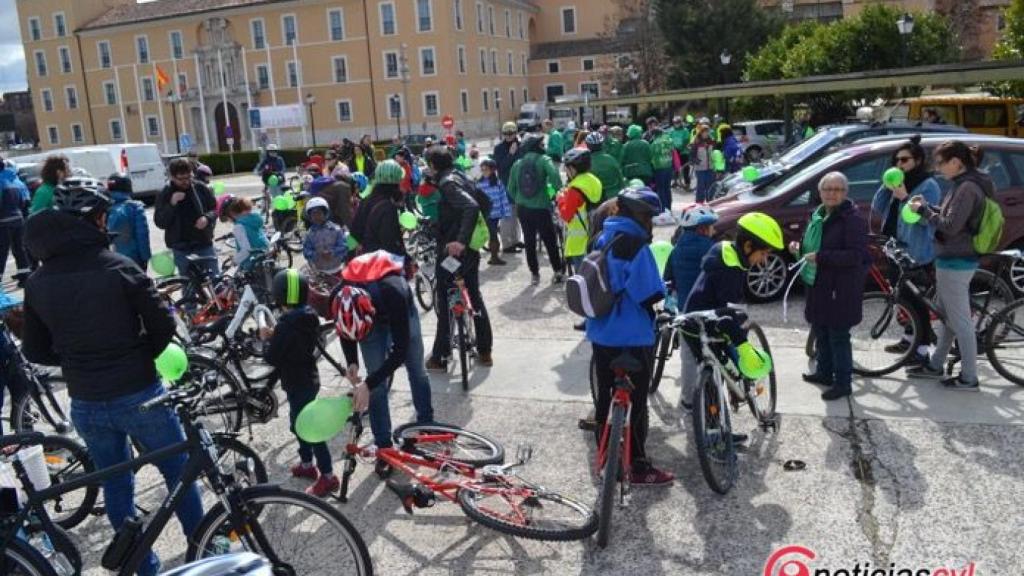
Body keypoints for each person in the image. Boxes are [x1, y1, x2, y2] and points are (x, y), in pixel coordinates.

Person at [22, 180, 203, 576]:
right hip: (139, 392)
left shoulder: (37, 281)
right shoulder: (118, 266)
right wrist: (137, 356)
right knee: (180, 472)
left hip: (85, 400)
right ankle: (205, 549)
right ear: (96, 219)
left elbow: (35, 351)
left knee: (118, 486)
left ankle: (143, 568)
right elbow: (162, 327)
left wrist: (75, 359)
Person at [587, 187, 674, 485]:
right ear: (642, 216)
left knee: (604, 397)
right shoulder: (636, 246)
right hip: (633, 336)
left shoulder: (601, 236)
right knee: (636, 402)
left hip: (600, 331)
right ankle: (638, 465)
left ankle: (605, 451)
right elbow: (648, 293)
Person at [906, 141, 992, 390]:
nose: (938, 167)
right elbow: (951, 219)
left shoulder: (967, 188)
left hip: (957, 260)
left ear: (956, 162)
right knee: (947, 318)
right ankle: (935, 364)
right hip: (952, 259)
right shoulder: (964, 184)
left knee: (960, 322)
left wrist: (924, 211)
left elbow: (950, 227)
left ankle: (969, 377)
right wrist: (929, 208)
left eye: (941, 162)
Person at [336, 251, 435, 468]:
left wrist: (367, 384)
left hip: (400, 312)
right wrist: (352, 361)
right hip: (369, 314)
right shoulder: (341, 296)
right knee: (377, 387)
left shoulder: (394, 290)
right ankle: (384, 447)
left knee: (416, 369)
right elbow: (346, 330)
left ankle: (427, 423)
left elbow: (400, 351)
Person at [683, 212, 784, 414]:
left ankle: (711, 415)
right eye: (763, 254)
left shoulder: (724, 250)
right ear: (748, 247)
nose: (764, 261)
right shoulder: (730, 271)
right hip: (709, 323)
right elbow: (727, 317)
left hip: (692, 320)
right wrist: (743, 346)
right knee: (722, 369)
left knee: (712, 372)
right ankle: (718, 426)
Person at [790, 173, 869, 401]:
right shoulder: (819, 215)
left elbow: (855, 256)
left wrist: (822, 257)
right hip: (818, 283)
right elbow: (813, 244)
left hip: (840, 287)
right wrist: (799, 247)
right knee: (821, 330)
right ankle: (824, 373)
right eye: (827, 189)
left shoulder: (851, 219)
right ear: (820, 192)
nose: (832, 193)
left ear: (845, 193)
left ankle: (843, 383)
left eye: (837, 189)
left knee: (838, 336)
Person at [261, 269, 338, 497]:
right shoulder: (307, 317)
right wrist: (277, 333)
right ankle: (306, 464)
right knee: (298, 423)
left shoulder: (286, 325)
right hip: (307, 379)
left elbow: (272, 357)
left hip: (297, 383)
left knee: (309, 428)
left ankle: (327, 476)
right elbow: (292, 339)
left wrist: (267, 340)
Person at [870, 136, 940, 364]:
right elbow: (877, 208)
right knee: (902, 298)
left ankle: (921, 350)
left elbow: (925, 220)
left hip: (915, 251)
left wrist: (905, 197)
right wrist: (886, 185)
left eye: (904, 160)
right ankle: (909, 337)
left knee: (916, 300)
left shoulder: (927, 185)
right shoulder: (898, 181)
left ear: (918, 160)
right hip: (894, 248)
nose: (899, 164)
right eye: (896, 160)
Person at [422, 145, 494, 369]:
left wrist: (459, 239)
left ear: (433, 165)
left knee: (445, 298)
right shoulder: (462, 177)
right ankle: (484, 352)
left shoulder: (447, 183)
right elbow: (485, 203)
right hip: (469, 250)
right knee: (474, 294)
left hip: (453, 250)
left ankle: (440, 356)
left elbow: (472, 206)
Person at [508, 134, 565, 285]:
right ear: (536, 146)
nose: (543, 147)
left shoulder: (517, 164)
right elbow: (555, 177)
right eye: (541, 144)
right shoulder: (544, 160)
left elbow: (510, 188)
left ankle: (534, 274)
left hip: (523, 208)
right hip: (541, 207)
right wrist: (556, 193)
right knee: (549, 240)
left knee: (529, 240)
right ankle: (557, 271)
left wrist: (520, 199)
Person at [156, 158, 218, 277]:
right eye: (181, 179)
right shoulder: (165, 193)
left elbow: (215, 209)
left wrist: (207, 218)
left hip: (203, 242)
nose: (186, 182)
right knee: (189, 285)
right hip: (181, 247)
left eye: (189, 177)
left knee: (215, 279)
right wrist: (172, 204)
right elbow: (160, 222)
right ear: (172, 177)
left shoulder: (200, 187)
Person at [557, 148, 603, 275]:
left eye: (567, 168)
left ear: (573, 168)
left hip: (579, 242)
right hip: (595, 235)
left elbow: (566, 216)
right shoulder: (594, 180)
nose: (566, 171)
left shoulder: (575, 188)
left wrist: (560, 199)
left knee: (582, 280)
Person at [350, 159, 407, 258]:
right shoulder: (388, 206)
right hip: (381, 264)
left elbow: (354, 233)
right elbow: (390, 243)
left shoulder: (366, 200)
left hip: (366, 259)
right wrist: (406, 259)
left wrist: (351, 257)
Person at [664, 205, 718, 310]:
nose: (714, 231)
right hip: (707, 310)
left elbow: (667, 277)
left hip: (684, 308)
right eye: (712, 227)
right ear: (703, 229)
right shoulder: (712, 249)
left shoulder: (676, 250)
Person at [106, 173, 151, 270]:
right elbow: (142, 235)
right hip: (133, 259)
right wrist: (145, 257)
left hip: (110, 260)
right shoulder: (134, 207)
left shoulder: (103, 208)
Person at [492, 122, 525, 254]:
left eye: (511, 133)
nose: (509, 136)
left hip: (520, 185)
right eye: (506, 133)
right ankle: (507, 244)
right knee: (507, 215)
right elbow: (500, 167)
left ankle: (516, 239)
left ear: (516, 133)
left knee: (516, 214)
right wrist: (511, 154)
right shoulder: (499, 148)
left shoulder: (521, 145)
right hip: (506, 184)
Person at [477, 158, 511, 266]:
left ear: (492, 170)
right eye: (482, 170)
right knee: (493, 235)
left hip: (496, 214)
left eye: (486, 169)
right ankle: (494, 257)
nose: (484, 172)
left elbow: (503, 198)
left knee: (493, 234)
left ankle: (493, 255)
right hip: (485, 215)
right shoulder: (479, 184)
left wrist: (506, 212)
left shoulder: (498, 183)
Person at [220, 196, 269, 270]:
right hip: (265, 258)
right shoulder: (254, 219)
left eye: (227, 218)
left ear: (232, 213)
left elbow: (246, 250)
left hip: (252, 263)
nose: (229, 221)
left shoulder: (239, 226)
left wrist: (235, 260)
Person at [302, 197, 348, 273]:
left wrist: (333, 252)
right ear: (310, 216)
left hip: (337, 268)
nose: (317, 216)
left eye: (319, 213)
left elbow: (344, 246)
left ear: (325, 213)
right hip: (319, 270)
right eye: (314, 214)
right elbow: (306, 251)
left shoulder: (336, 230)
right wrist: (317, 254)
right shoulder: (309, 234)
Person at [586, 132, 625, 203]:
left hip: (595, 199)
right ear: (602, 144)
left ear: (588, 146)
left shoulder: (585, 162)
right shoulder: (611, 159)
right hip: (613, 198)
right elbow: (621, 180)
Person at [650, 127, 676, 226]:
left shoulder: (654, 143)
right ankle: (669, 207)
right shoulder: (669, 140)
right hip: (669, 166)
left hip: (659, 168)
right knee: (667, 188)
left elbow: (651, 155)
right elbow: (673, 150)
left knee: (661, 189)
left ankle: (663, 209)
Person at [690, 123, 716, 203]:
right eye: (704, 132)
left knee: (710, 188)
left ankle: (710, 203)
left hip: (710, 168)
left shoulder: (711, 141)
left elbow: (716, 152)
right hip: (700, 169)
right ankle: (699, 204)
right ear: (701, 132)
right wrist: (698, 161)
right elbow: (692, 157)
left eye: (707, 132)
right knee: (700, 188)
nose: (706, 133)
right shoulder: (696, 142)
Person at [670, 116, 692, 190]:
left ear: (681, 122)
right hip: (675, 152)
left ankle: (687, 183)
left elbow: (686, 140)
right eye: (675, 123)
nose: (677, 124)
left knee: (685, 169)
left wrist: (681, 148)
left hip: (683, 152)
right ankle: (675, 182)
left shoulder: (685, 130)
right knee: (675, 168)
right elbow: (670, 140)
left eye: (678, 122)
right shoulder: (672, 131)